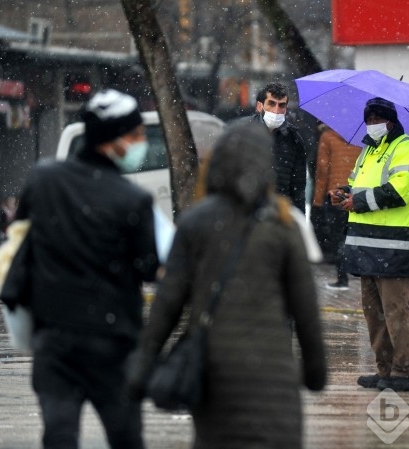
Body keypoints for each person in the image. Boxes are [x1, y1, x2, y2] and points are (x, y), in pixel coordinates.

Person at [127, 122, 327, 449]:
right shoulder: (284, 224)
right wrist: (315, 372)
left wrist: (142, 367)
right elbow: (306, 310)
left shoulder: (195, 222)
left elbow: (168, 303)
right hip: (274, 382)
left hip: (215, 379)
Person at [13, 89, 159, 449]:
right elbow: (147, 267)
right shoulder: (133, 200)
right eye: (136, 135)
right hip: (112, 343)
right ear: (112, 141)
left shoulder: (43, 179)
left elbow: (19, 233)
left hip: (54, 338)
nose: (141, 143)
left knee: (60, 434)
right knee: (126, 437)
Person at [329, 97, 409, 392]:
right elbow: (359, 185)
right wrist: (344, 192)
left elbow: (400, 190)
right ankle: (385, 370)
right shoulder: (367, 152)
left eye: (377, 120)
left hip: (394, 245)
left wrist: (356, 201)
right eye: (369, 120)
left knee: (395, 309)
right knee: (374, 312)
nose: (372, 125)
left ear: (391, 122)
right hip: (366, 244)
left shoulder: (408, 148)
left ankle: (404, 372)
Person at [312, 124, 362, 289]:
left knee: (337, 237)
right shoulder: (359, 136)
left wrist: (318, 199)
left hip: (335, 194)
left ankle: (342, 278)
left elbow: (322, 169)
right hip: (356, 193)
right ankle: (359, 273)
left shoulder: (327, 136)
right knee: (353, 235)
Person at [251, 81, 307, 212]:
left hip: (279, 214)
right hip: (248, 214)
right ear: (260, 106)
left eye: (281, 105)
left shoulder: (294, 140)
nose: (276, 110)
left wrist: (298, 220)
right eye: (271, 103)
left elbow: (298, 188)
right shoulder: (243, 133)